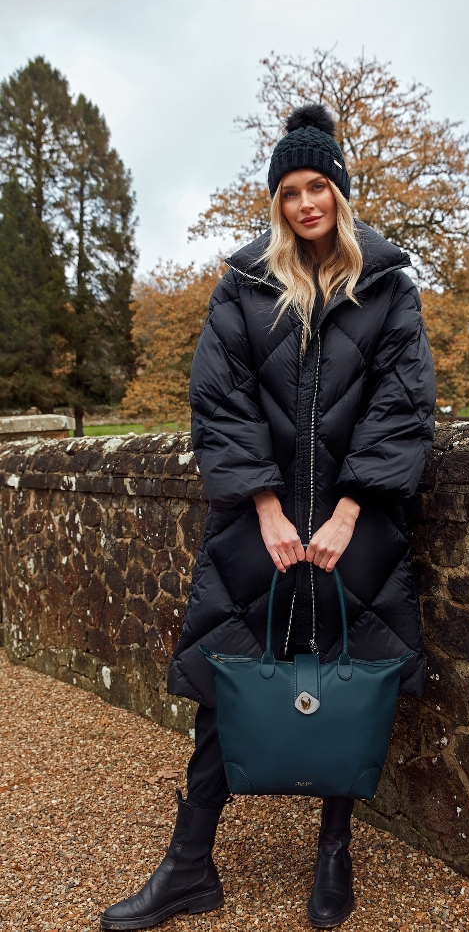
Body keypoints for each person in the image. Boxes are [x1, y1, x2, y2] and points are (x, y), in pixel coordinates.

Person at [101, 104, 436, 931]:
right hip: (259, 534)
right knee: (226, 683)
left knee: (345, 680)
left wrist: (353, 508)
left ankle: (334, 853)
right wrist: (265, 507)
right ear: (276, 200)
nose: (304, 203)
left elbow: (403, 404)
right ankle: (188, 867)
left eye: (318, 186)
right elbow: (218, 402)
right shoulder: (243, 286)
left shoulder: (388, 287)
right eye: (289, 190)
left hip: (357, 534)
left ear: (341, 194)